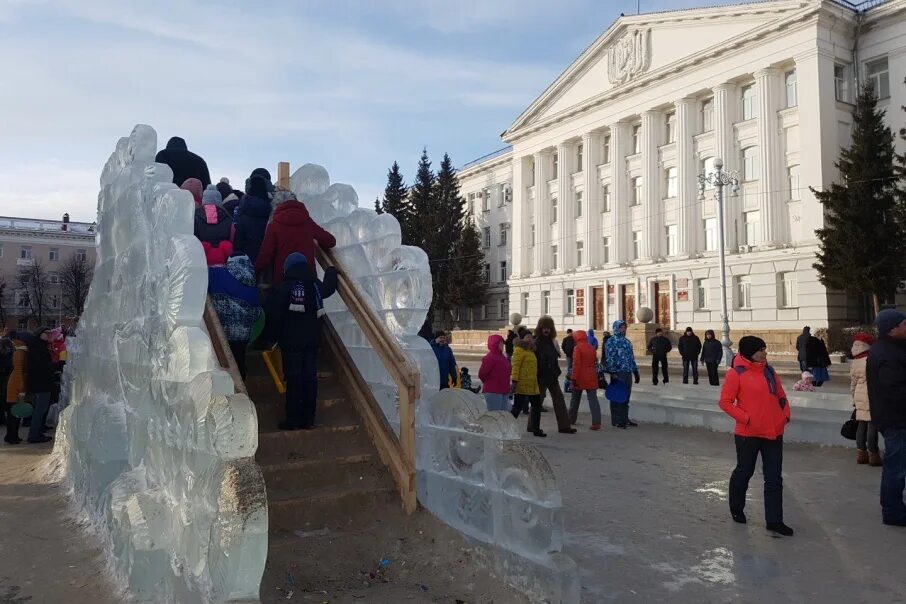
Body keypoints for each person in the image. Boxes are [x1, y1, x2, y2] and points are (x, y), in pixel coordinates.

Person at [719, 335, 793, 536]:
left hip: (773, 432)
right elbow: (725, 402)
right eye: (761, 350)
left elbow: (780, 396)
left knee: (774, 477)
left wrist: (784, 415)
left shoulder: (769, 370)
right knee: (744, 471)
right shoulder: (737, 373)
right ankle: (736, 508)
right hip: (748, 434)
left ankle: (775, 520)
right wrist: (746, 418)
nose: (765, 352)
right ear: (750, 352)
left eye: (765, 349)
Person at [267, 253, 337, 430]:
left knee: (294, 379)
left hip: (291, 343)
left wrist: (271, 338)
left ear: (288, 268)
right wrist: (331, 271)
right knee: (310, 380)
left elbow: (274, 315)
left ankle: (293, 419)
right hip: (312, 342)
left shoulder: (285, 288)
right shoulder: (314, 287)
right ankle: (308, 419)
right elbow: (328, 288)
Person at [867, 308, 906, 527]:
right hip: (896, 420)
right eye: (904, 324)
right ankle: (892, 511)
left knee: (898, 466)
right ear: (892, 329)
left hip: (896, 418)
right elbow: (894, 390)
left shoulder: (894, 348)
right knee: (896, 467)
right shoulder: (886, 353)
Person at [255, 197, 337, 288]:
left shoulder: (274, 225)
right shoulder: (307, 222)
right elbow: (330, 241)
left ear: (279, 208)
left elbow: (266, 253)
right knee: (309, 299)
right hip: (307, 277)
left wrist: (256, 269)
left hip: (283, 278)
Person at [209, 254, 262, 381]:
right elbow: (257, 312)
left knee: (222, 363)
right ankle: (241, 389)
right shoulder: (252, 281)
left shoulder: (218, 274)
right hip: (244, 335)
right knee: (239, 360)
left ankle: (225, 391)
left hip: (223, 330)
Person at [534, 317, 577, 435]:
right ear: (540, 328)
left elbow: (553, 357)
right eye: (544, 328)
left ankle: (564, 426)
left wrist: (556, 370)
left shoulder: (551, 341)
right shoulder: (537, 342)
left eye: (548, 328)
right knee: (537, 402)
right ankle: (532, 425)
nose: (546, 330)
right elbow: (537, 360)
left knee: (559, 400)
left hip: (552, 375)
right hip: (541, 376)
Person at [13, 328, 54, 444]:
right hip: (41, 383)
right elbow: (41, 366)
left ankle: (36, 432)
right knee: (40, 409)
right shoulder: (38, 347)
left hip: (39, 383)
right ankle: (34, 434)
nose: (49, 335)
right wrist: (51, 370)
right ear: (40, 334)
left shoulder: (38, 345)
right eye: (47, 333)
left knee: (40, 408)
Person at [850, 333, 880, 466]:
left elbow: (853, 383)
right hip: (872, 395)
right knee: (872, 425)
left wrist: (854, 399)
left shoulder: (855, 362)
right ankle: (873, 454)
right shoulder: (872, 360)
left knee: (861, 425)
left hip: (859, 395)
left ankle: (861, 453)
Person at [605, 320, 641, 428]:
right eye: (621, 327)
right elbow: (609, 358)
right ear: (616, 328)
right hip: (618, 372)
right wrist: (612, 372)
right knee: (617, 396)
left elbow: (631, 358)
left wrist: (635, 371)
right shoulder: (611, 341)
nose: (623, 329)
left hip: (627, 372)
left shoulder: (627, 342)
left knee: (626, 396)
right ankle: (616, 420)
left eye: (624, 327)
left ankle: (625, 418)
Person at [511, 333, 545, 438]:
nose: (530, 339)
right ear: (522, 338)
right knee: (517, 408)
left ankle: (536, 429)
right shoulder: (519, 350)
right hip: (522, 384)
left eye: (531, 337)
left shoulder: (531, 351)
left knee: (536, 407)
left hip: (533, 384)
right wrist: (514, 381)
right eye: (527, 337)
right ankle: (507, 426)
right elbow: (515, 367)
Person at [567, 330, 602, 430]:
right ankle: (597, 422)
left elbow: (576, 365)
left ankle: (571, 419)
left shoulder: (577, 348)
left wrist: (573, 378)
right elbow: (595, 361)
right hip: (591, 376)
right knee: (593, 400)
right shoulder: (591, 347)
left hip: (580, 377)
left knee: (575, 400)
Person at [234, 176, 273, 263]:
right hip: (265, 258)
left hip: (246, 257)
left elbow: (239, 239)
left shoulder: (244, 207)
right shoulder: (269, 208)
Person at [4, 335, 27, 444]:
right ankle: (12, 437)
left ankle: (10, 436)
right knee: (15, 414)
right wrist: (21, 389)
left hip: (12, 386)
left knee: (12, 413)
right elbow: (18, 372)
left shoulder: (18, 352)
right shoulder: (20, 353)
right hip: (15, 388)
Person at [479, 334, 511, 412]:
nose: (502, 345)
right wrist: (491, 383)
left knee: (503, 415)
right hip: (493, 391)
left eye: (502, 343)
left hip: (504, 389)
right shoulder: (489, 358)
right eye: (500, 343)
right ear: (495, 344)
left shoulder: (503, 357)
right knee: (495, 415)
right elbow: (482, 374)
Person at [0, 332, 12, 428]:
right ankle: (5, 419)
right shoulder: (9, 354)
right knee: (5, 399)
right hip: (6, 379)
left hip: (3, 379)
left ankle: (2, 418)